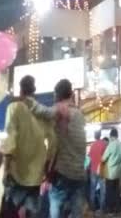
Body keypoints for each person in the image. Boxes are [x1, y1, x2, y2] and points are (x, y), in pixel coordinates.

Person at [26, 79, 87, 218]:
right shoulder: (79, 114)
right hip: (79, 174)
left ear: (57, 95)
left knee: (56, 211)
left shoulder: (60, 109)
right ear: (71, 93)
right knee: (76, 213)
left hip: (63, 174)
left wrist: (26, 99)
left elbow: (41, 111)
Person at [0, 75, 56, 218]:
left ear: (20, 90)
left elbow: (10, 138)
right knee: (32, 213)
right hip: (36, 175)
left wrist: (5, 169)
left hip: (16, 172)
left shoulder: (14, 107)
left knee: (9, 213)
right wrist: (47, 166)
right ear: (34, 91)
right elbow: (53, 142)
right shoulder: (43, 113)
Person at [102, 128, 121, 214]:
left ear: (111, 136)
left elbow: (103, 158)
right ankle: (118, 210)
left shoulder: (111, 145)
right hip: (118, 172)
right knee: (116, 192)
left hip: (110, 173)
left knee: (109, 192)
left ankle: (110, 210)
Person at [88, 129, 107, 212]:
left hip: (93, 170)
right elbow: (106, 157)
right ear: (100, 135)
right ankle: (102, 209)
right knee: (103, 190)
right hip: (102, 170)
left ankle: (92, 209)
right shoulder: (104, 144)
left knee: (92, 190)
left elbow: (89, 157)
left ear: (95, 136)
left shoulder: (92, 145)